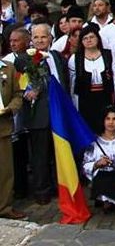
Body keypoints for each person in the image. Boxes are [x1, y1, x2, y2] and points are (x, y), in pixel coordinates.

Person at [18, 23, 70, 204]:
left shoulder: (57, 57)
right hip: (38, 116)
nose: (40, 40)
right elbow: (24, 83)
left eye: (44, 37)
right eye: (36, 37)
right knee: (40, 156)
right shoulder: (24, 59)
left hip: (59, 113)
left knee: (59, 152)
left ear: (51, 38)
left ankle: (60, 185)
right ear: (31, 40)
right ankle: (42, 191)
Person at [70, 25, 115, 133]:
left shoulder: (108, 55)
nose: (89, 40)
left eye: (91, 37)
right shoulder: (75, 59)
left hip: (105, 97)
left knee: (107, 127)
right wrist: (74, 106)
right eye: (85, 38)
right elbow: (72, 84)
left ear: (98, 38)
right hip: (85, 100)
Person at [0, 38, 25, 219]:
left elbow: (18, 94)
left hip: (3, 126)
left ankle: (5, 207)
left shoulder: (8, 67)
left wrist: (10, 109)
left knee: (5, 171)